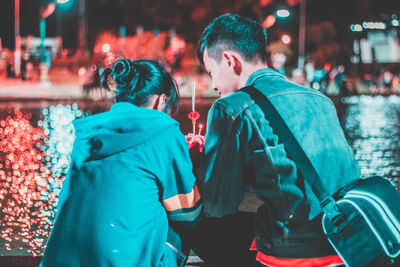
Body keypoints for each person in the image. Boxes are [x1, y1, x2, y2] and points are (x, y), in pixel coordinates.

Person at [189, 14, 360, 267]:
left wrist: (196, 162)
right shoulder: (321, 100)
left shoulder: (229, 108)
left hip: (292, 250)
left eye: (211, 72)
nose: (213, 85)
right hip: (345, 240)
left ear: (229, 60)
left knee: (184, 214)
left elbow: (218, 205)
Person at [40, 59, 202, 267]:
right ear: (160, 101)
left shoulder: (88, 133)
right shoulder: (164, 128)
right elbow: (188, 213)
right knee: (178, 225)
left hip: (63, 260)